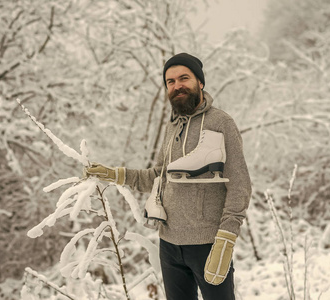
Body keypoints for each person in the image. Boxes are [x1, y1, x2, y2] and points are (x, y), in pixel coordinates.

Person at [85, 53, 252, 300]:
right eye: (170, 82)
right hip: (170, 245)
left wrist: (226, 238)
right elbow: (158, 176)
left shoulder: (221, 123)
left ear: (200, 83)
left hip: (209, 244)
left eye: (184, 78)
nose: (177, 86)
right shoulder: (172, 125)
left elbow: (240, 184)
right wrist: (116, 174)